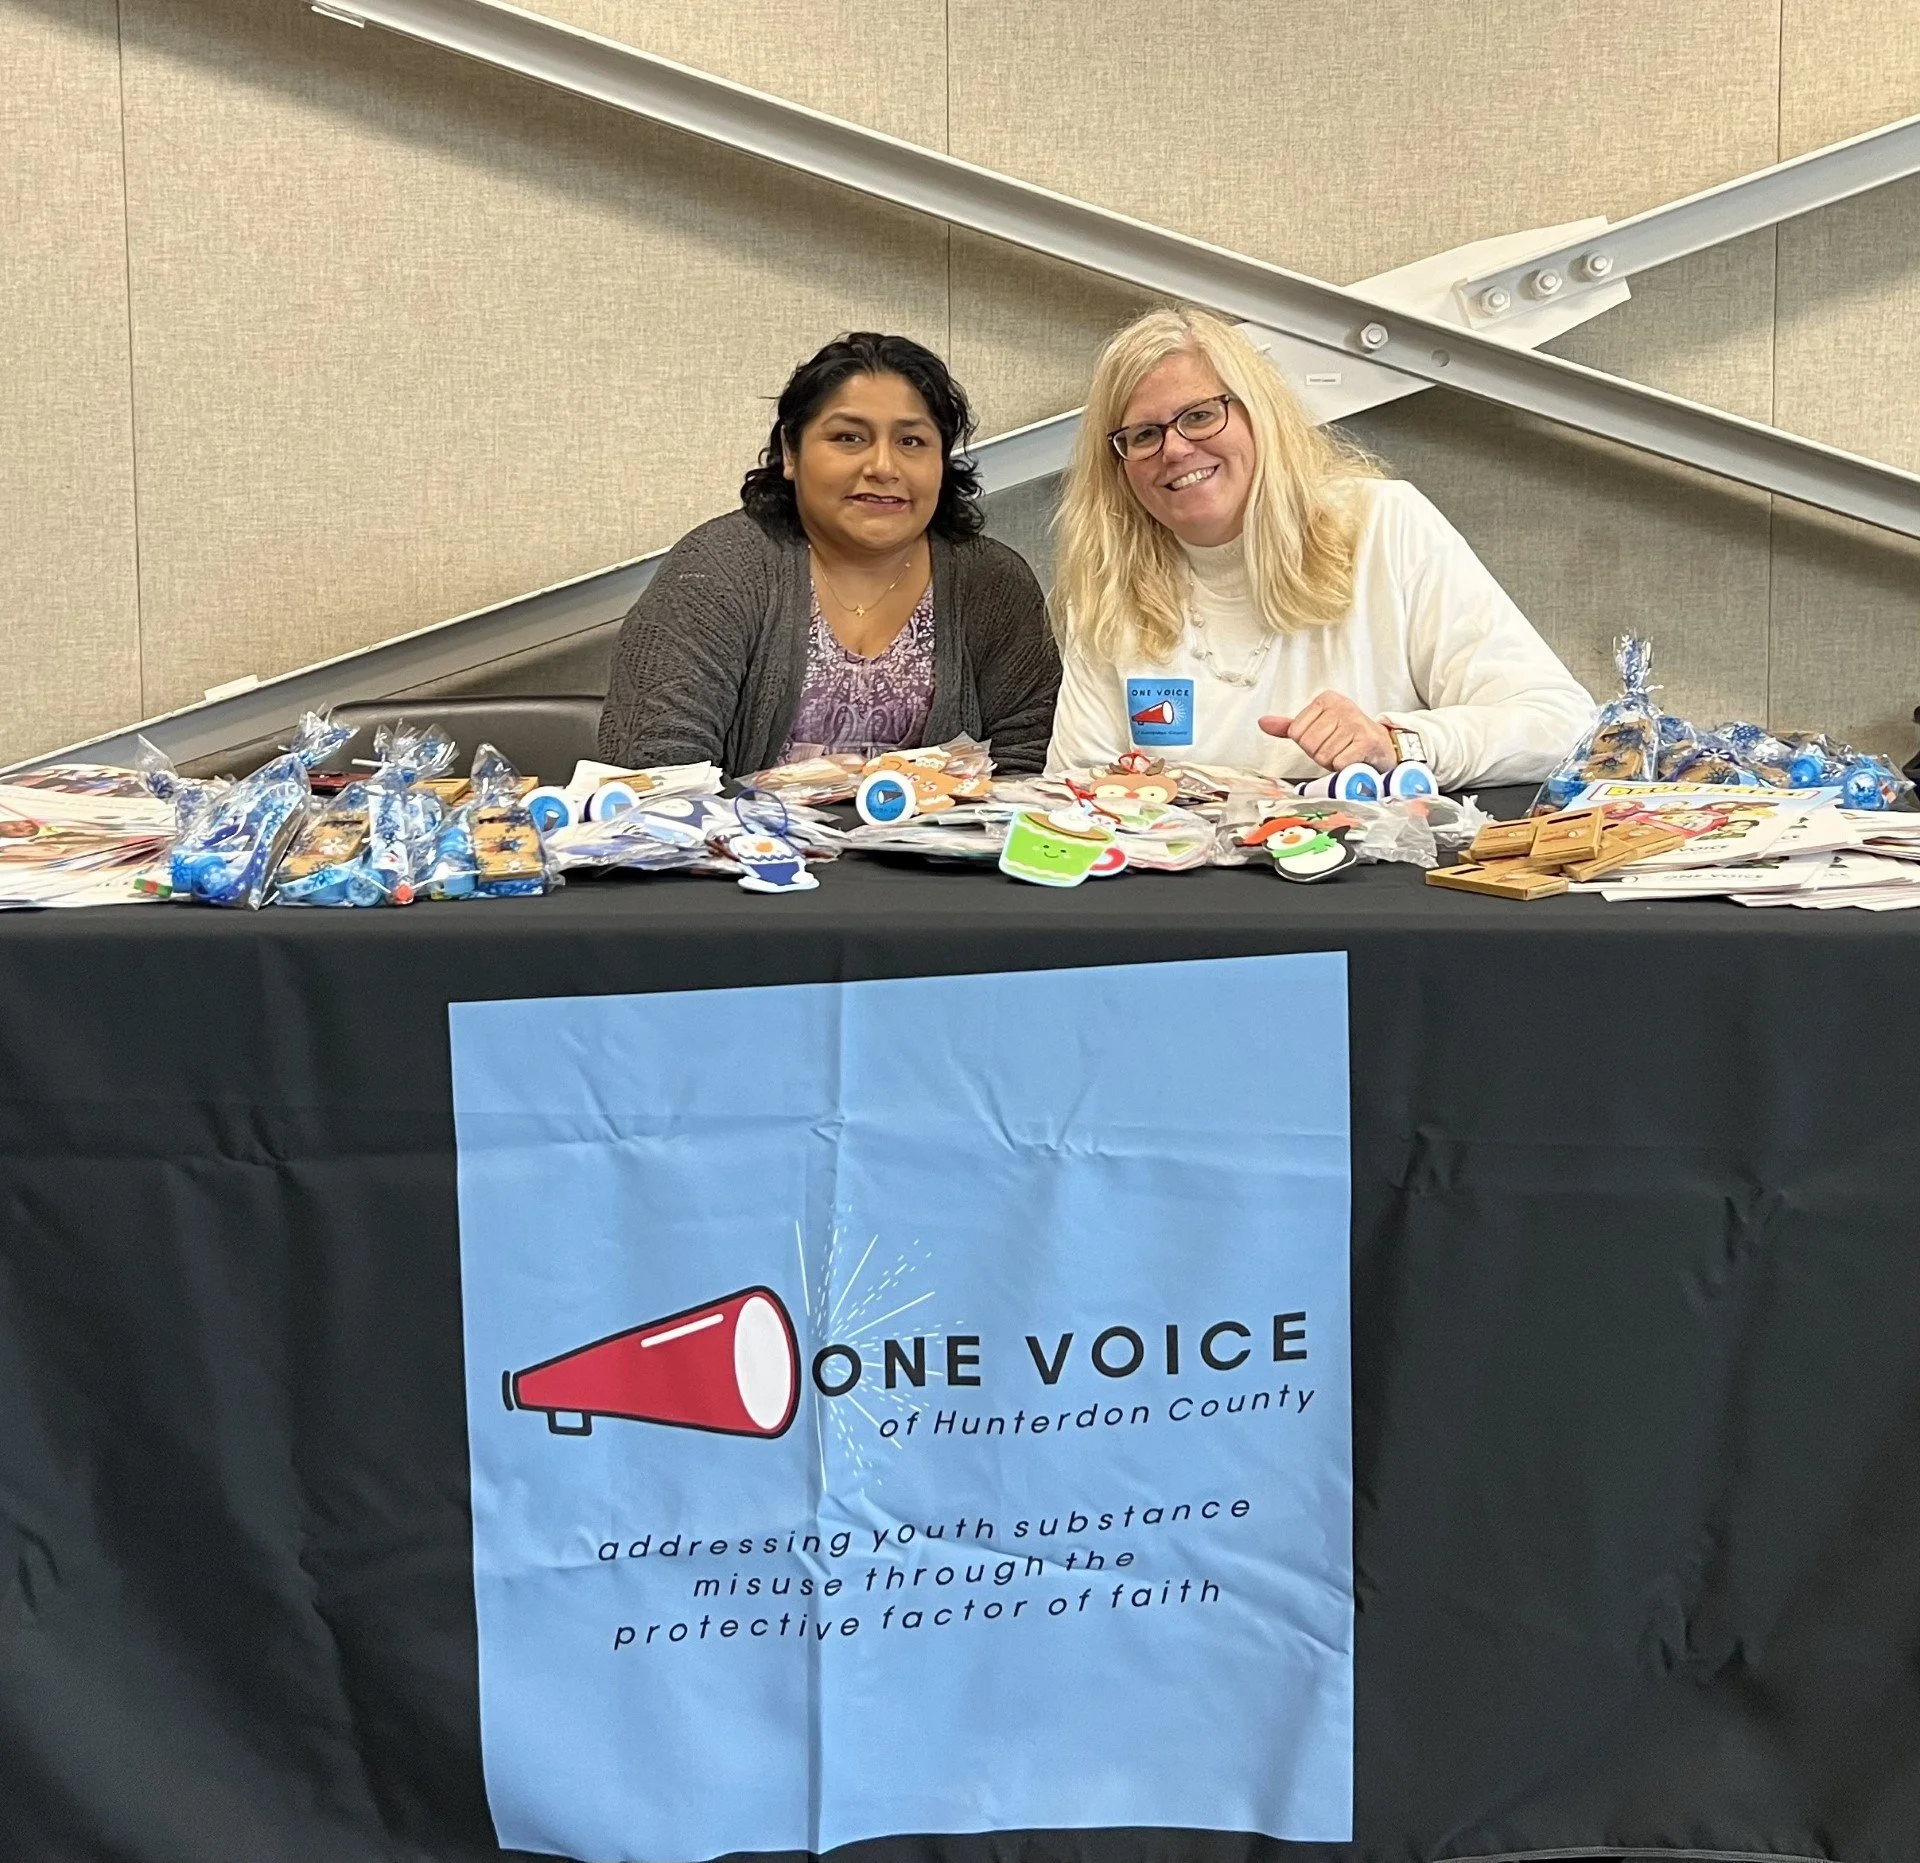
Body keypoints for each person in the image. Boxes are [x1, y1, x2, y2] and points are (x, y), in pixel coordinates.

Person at [1046, 307, 1595, 789]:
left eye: (1199, 415)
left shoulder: (1386, 526)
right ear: (1118, 468)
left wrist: (1398, 743)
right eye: (1143, 435)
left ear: (1260, 414)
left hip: (1366, 889)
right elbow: (1075, 786)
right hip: (1174, 895)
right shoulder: (1110, 582)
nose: (1175, 448)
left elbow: (1560, 723)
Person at [598, 333, 1059, 777]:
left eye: (912, 441)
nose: (882, 467)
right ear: (790, 453)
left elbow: (1027, 766)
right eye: (848, 438)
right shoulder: (718, 570)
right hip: (745, 854)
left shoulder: (993, 581)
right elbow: (657, 770)